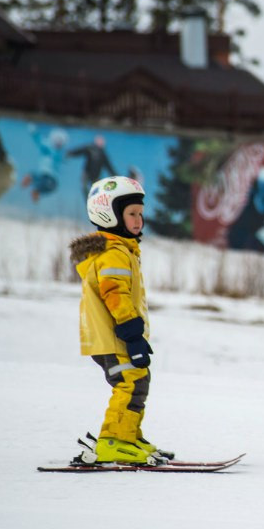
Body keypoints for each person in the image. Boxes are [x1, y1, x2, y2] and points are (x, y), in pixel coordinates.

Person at [68, 175, 171, 465]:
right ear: (109, 215)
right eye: (131, 214)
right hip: (114, 335)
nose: (139, 220)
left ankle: (128, 436)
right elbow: (115, 294)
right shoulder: (113, 253)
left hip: (116, 335)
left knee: (138, 379)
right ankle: (114, 442)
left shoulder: (122, 250)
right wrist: (132, 333)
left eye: (140, 213)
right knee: (130, 382)